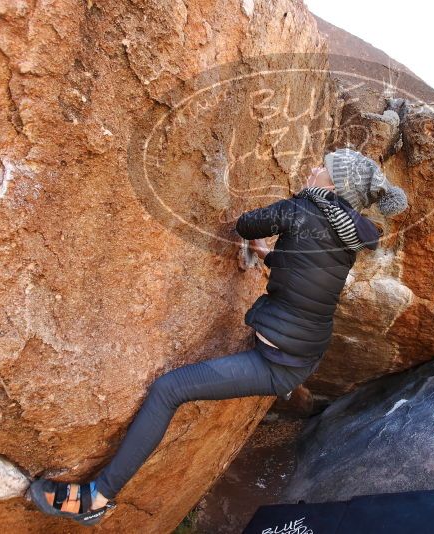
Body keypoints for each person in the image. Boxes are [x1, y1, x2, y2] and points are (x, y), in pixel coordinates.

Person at [27, 148, 408, 525]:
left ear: (334, 184)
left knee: (169, 390)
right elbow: (314, 271)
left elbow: (247, 224)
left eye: (322, 167)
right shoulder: (347, 230)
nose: (312, 167)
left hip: (278, 363)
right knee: (175, 389)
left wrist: (289, 210)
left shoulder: (300, 209)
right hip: (303, 351)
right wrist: (270, 257)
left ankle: (97, 497)